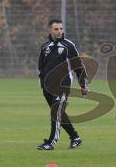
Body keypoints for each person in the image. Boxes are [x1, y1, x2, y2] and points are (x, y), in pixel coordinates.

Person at [37, 19, 89, 150]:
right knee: (59, 113)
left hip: (63, 85)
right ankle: (75, 138)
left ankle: (51, 142)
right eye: (56, 29)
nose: (59, 31)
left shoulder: (68, 45)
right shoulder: (45, 46)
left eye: (61, 28)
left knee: (56, 112)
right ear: (50, 30)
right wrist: (42, 83)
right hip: (47, 87)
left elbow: (78, 66)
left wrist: (83, 85)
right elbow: (41, 67)